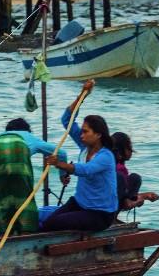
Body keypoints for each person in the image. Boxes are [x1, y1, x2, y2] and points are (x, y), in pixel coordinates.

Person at [40, 98, 121, 233]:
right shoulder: (85, 146)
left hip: (100, 213)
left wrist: (59, 164)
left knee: (54, 223)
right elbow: (66, 120)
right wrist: (81, 97)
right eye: (81, 131)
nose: (81, 135)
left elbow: (86, 170)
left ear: (98, 135)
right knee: (48, 223)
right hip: (80, 203)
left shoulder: (106, 156)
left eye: (85, 132)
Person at [0, 117, 56, 236]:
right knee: (23, 198)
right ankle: (25, 232)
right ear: (27, 130)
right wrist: (63, 174)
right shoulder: (28, 137)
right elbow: (61, 153)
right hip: (18, 152)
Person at [110, 132, 159, 213]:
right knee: (135, 178)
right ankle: (113, 217)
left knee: (133, 178)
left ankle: (114, 217)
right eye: (129, 146)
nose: (132, 150)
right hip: (108, 201)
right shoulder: (120, 169)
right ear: (123, 150)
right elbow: (123, 195)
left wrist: (146, 196)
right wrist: (142, 197)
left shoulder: (111, 163)